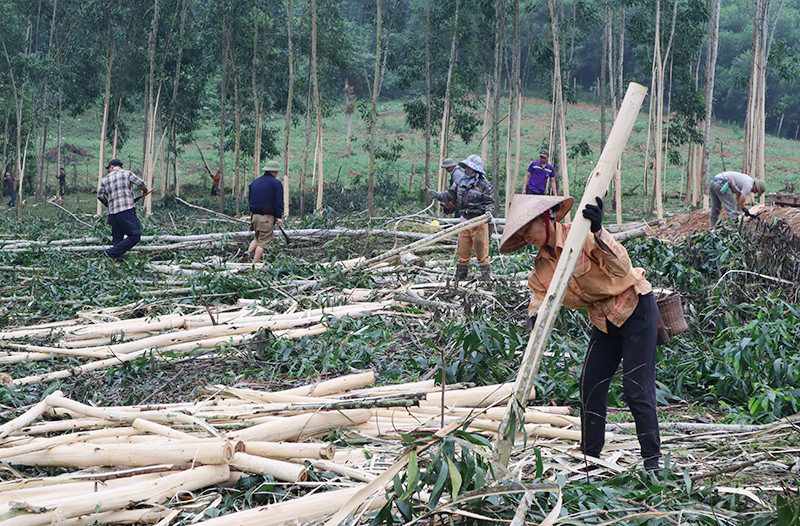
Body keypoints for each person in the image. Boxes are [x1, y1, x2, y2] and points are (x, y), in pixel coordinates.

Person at [499, 194, 661, 472]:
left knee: (636, 388)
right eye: (522, 234)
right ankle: (591, 457)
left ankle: (652, 461)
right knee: (591, 384)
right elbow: (540, 297)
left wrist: (599, 231)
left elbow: (622, 267)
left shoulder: (581, 235)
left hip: (635, 308)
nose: (528, 237)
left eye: (529, 229)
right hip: (603, 320)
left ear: (546, 218)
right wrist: (535, 319)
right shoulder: (542, 265)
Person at [427, 154, 494, 281]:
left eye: (469, 168)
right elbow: (449, 195)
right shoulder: (460, 181)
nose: (467, 170)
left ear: (476, 169)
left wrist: (488, 212)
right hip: (464, 221)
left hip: (479, 222)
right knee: (463, 251)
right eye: (466, 167)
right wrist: (437, 195)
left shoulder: (485, 185)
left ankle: (486, 278)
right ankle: (460, 277)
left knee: (482, 252)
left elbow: (489, 202)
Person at [97, 159, 149, 261]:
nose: (109, 170)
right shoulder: (127, 173)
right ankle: (110, 253)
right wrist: (145, 191)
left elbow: (99, 196)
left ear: (112, 166)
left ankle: (118, 261)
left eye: (109, 168)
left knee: (117, 238)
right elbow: (141, 183)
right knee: (135, 235)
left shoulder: (104, 180)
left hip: (113, 214)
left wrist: (109, 205)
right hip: (126, 210)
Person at [245, 159, 284, 263]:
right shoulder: (276, 183)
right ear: (274, 172)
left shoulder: (254, 182)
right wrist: (278, 216)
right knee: (263, 243)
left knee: (257, 237)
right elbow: (278, 200)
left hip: (254, 216)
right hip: (266, 217)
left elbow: (250, 199)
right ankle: (254, 265)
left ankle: (248, 252)